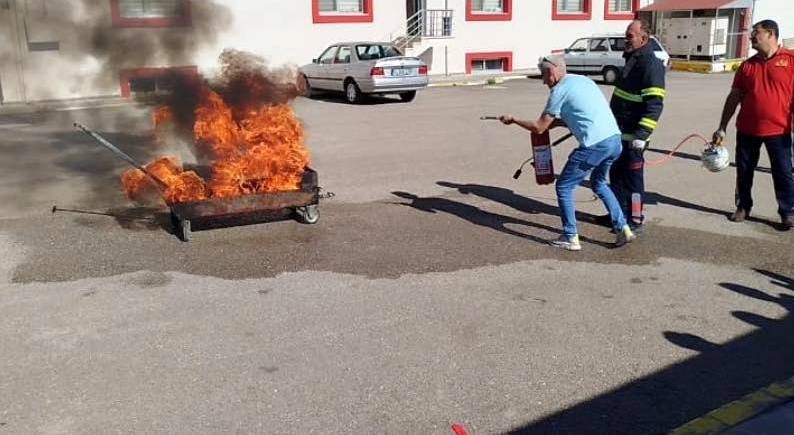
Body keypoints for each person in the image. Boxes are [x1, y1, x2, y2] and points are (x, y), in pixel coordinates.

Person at [498, 55, 635, 251]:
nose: (544, 81)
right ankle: (624, 228)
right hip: (614, 140)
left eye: (544, 76)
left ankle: (570, 237)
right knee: (599, 183)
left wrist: (514, 120)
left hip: (594, 145)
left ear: (552, 72)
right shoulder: (582, 80)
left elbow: (538, 127)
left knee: (564, 187)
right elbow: (570, 118)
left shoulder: (559, 91)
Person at [713, 19, 794, 230]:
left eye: (756, 32)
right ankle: (743, 206)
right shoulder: (747, 66)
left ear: (771, 34)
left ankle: (787, 211)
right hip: (747, 129)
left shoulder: (790, 60)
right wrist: (722, 125)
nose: (751, 36)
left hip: (779, 130)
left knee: (783, 171)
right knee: (744, 170)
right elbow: (734, 97)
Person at [598, 19, 666, 234]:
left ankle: (635, 219)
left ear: (643, 39)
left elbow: (654, 105)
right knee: (616, 176)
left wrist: (642, 135)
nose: (625, 40)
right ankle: (617, 215)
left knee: (633, 181)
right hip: (619, 133)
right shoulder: (633, 59)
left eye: (630, 36)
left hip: (634, 136)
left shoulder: (650, 65)